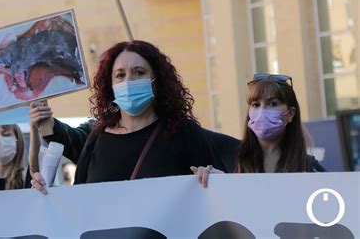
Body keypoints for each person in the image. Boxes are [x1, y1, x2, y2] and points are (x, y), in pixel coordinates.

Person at [29, 40, 240, 193]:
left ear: (156, 82)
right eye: (120, 75)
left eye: (139, 72)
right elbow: (79, 202)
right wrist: (47, 193)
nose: (129, 80)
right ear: (111, 86)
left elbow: (219, 197)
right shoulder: (96, 138)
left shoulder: (184, 133)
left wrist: (215, 181)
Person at [192, 74, 325, 187]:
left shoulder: (308, 166)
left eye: (272, 104)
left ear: (290, 114)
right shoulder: (230, 153)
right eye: (255, 104)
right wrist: (213, 178)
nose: (262, 111)